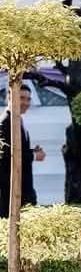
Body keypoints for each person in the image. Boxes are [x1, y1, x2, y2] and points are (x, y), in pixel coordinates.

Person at [0, 84, 44, 218]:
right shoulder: (5, 122)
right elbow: (7, 155)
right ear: (10, 98)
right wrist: (33, 155)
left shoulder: (17, 119)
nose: (26, 103)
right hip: (11, 189)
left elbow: (17, 149)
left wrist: (31, 151)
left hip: (23, 186)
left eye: (28, 99)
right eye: (22, 98)